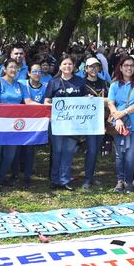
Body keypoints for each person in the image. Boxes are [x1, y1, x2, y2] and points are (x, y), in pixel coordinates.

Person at [0, 58, 32, 194]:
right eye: (11, 67)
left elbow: (28, 102)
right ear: (5, 69)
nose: (14, 70)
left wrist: (46, 107)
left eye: (16, 68)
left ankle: (0, 178)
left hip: (12, 125)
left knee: (10, 154)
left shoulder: (20, 85)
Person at [44, 56, 87, 191]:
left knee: (68, 151)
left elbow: (85, 100)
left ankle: (65, 180)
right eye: (64, 64)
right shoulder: (54, 82)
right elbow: (46, 101)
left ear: (74, 66)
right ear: (60, 67)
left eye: (70, 64)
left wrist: (88, 99)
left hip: (74, 124)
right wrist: (51, 104)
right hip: (57, 123)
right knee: (57, 151)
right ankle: (55, 180)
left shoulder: (80, 82)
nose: (67, 66)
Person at [107, 55, 134, 193]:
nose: (129, 68)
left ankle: (128, 181)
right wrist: (117, 118)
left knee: (130, 154)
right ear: (120, 67)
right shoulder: (114, 84)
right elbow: (111, 103)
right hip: (118, 123)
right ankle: (120, 180)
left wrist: (123, 113)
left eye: (131, 65)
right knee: (119, 154)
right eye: (126, 65)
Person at [19, 61, 48, 187]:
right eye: (34, 71)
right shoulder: (22, 84)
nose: (37, 74)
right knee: (18, 148)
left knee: (30, 149)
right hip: (20, 121)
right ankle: (16, 173)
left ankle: (27, 176)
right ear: (29, 73)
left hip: (34, 122)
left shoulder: (45, 87)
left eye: (39, 71)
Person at [82, 57, 109, 188]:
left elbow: (110, 100)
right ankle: (87, 178)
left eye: (96, 66)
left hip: (100, 121)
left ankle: (91, 176)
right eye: (91, 67)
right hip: (85, 122)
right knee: (92, 149)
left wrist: (99, 100)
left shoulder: (104, 83)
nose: (94, 69)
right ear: (86, 69)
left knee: (96, 149)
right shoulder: (81, 83)